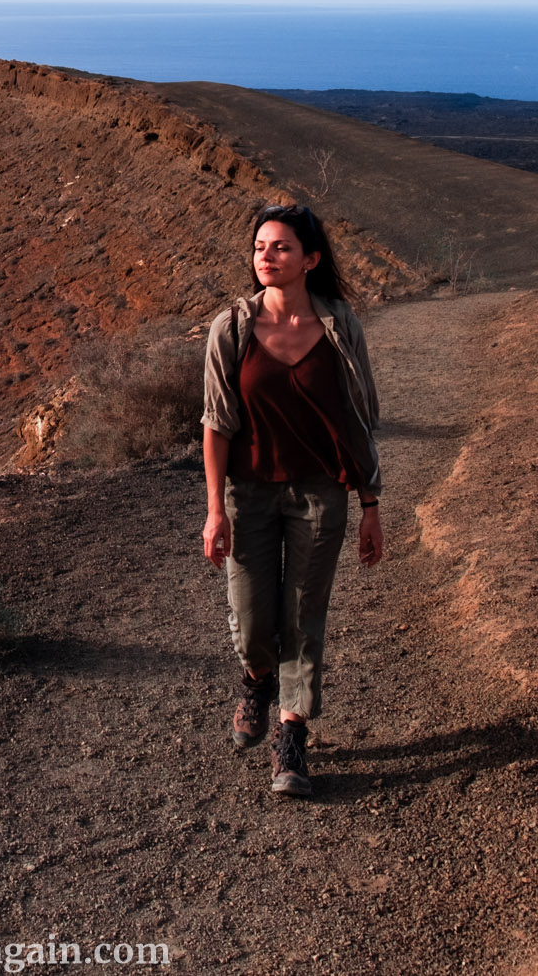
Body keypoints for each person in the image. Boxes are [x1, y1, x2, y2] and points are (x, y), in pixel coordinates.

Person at [200, 203, 383, 798]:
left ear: (311, 259)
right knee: (253, 621)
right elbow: (216, 424)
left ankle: (291, 738)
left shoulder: (338, 326)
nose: (266, 256)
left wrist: (370, 503)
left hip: (320, 495)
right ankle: (255, 677)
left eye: (280, 247)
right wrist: (215, 509)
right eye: (259, 246)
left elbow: (360, 419)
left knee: (303, 618)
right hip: (249, 494)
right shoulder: (230, 328)